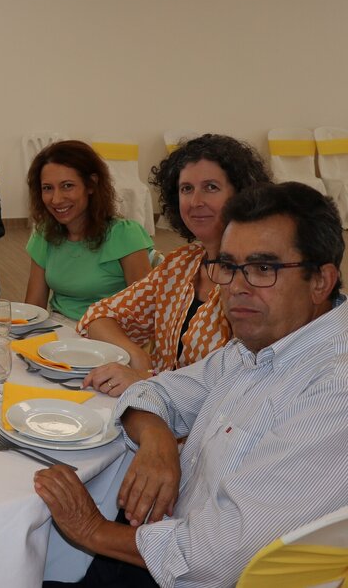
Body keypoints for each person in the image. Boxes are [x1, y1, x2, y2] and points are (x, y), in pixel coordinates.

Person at [37, 182, 348, 588]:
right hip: (159, 540)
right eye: (229, 266)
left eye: (263, 269)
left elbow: (215, 557)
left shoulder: (332, 388)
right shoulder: (256, 347)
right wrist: (159, 444)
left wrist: (91, 530)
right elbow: (154, 391)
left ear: (321, 281)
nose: (237, 287)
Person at [77, 134, 271, 396]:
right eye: (186, 189)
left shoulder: (259, 277)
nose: (196, 201)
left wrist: (150, 383)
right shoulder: (182, 264)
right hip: (155, 407)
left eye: (211, 187)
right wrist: (139, 358)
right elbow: (98, 317)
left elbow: (245, 382)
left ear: (241, 195)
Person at [25, 140, 152, 321]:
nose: (56, 199)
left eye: (67, 185)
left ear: (91, 184)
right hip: (59, 329)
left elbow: (145, 311)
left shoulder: (125, 235)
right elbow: (33, 307)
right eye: (47, 188)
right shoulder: (45, 234)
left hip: (110, 332)